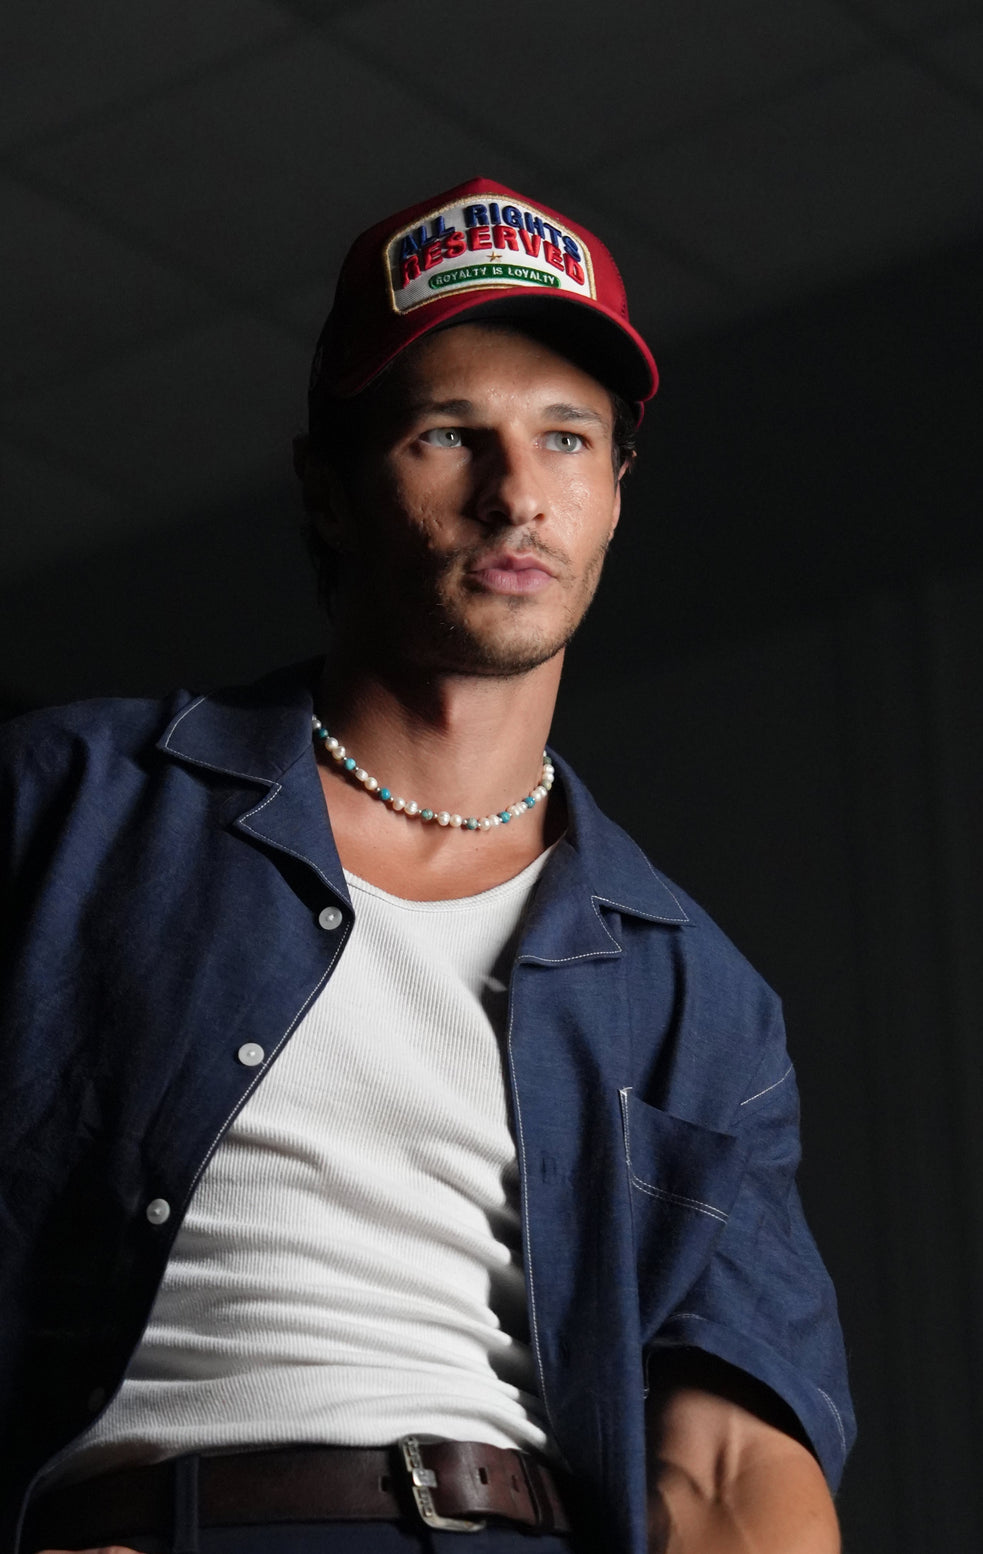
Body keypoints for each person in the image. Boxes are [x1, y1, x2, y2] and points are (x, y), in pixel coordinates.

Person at [1, 178, 853, 1554]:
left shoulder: (695, 990)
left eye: (566, 438)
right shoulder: (74, 808)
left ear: (616, 492)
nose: (518, 493)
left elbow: (727, 1461)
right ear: (328, 494)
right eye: (448, 434)